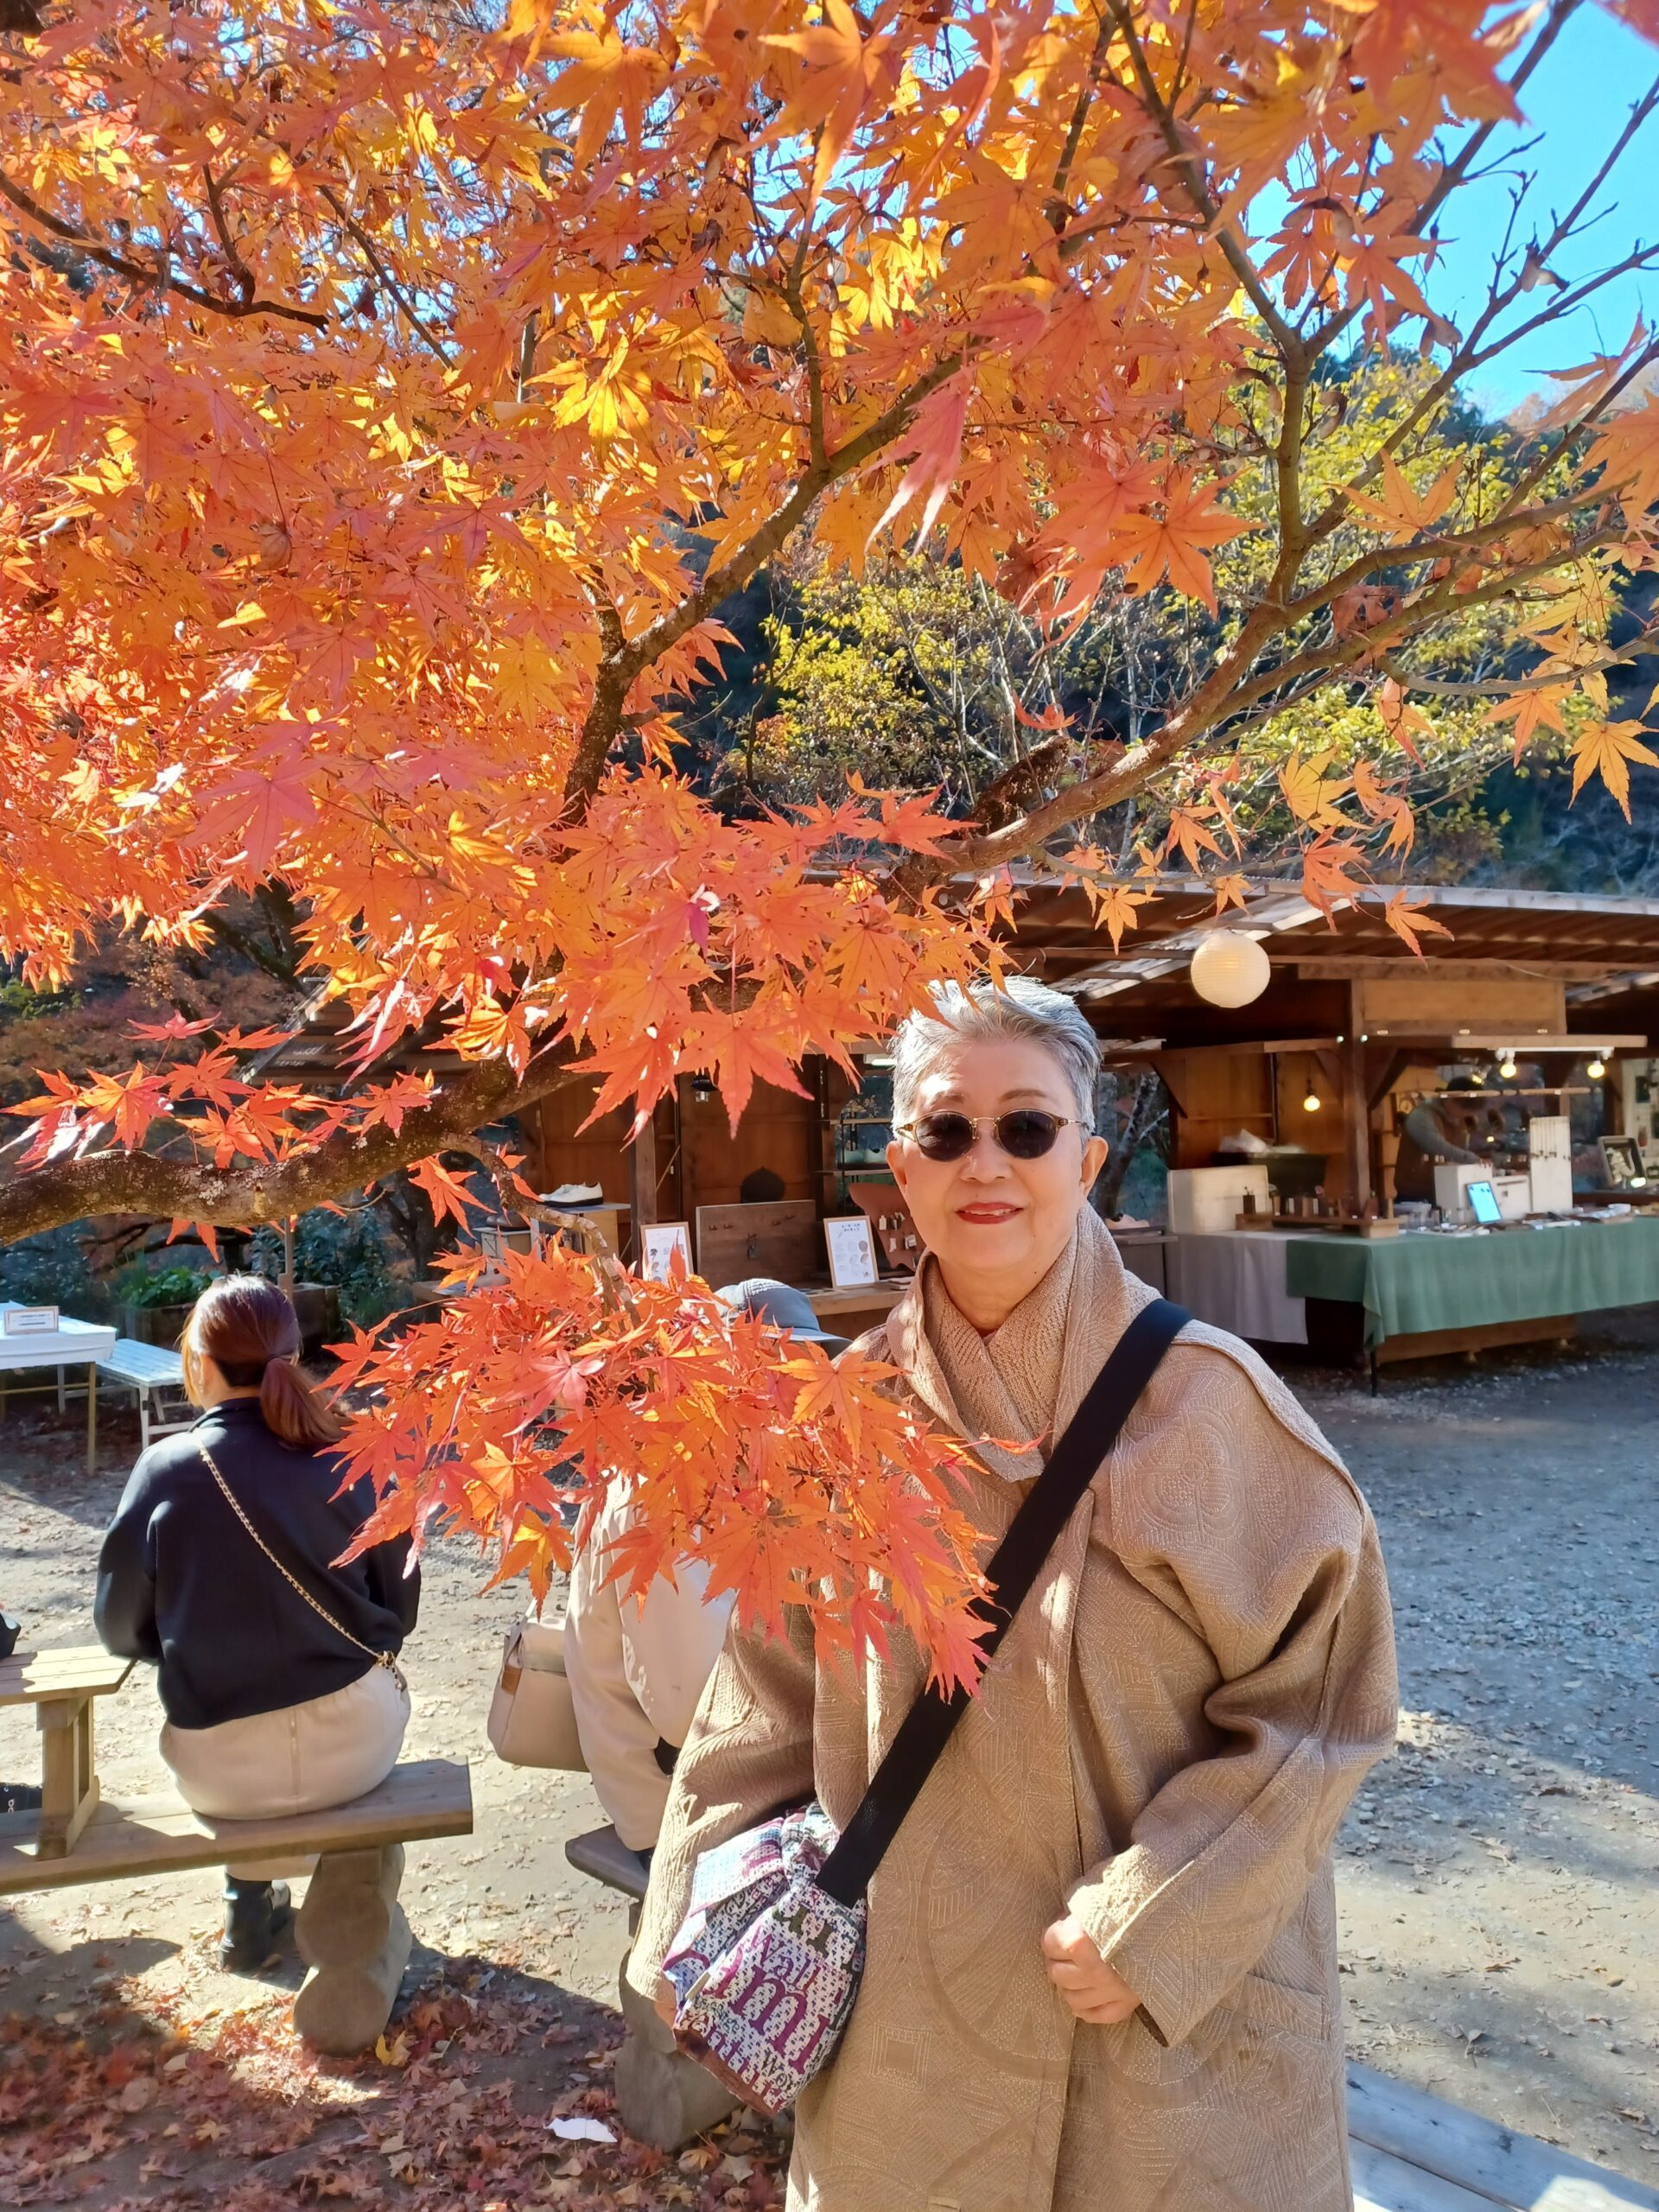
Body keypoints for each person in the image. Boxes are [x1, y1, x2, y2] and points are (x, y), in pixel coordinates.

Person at [630, 978, 1398, 2212]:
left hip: (1151, 2021)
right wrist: (689, 1910)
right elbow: (758, 1708)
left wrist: (1161, 1913)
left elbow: (1325, 1703)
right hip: (909, 2029)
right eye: (946, 1130)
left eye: (1027, 1127)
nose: (985, 1162)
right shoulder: (846, 1423)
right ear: (900, 1165)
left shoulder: (1210, 1409)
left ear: (1087, 1156)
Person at [95, 1275, 418, 1971]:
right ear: (293, 1357)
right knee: (357, 1704)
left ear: (200, 1364)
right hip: (354, 1747)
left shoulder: (165, 1471)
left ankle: (248, 1905)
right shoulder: (351, 1454)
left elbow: (118, 1632)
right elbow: (401, 1613)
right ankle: (350, 1920)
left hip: (222, 1766)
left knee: (234, 1714)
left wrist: (198, 1640)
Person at [563, 1279, 846, 1869]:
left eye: (800, 1369)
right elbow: (696, 1704)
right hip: (688, 1801)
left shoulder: (764, 1472)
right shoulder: (664, 1492)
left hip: (761, 1775)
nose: (785, 1390)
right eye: (762, 1369)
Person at [1393, 1073, 1483, 1202]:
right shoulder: (1421, 1116)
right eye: (1465, 1109)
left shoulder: (1460, 1121)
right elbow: (1438, 1145)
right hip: (1414, 1195)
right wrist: (1472, 1159)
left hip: (1445, 1190)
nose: (1466, 1114)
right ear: (1451, 1100)